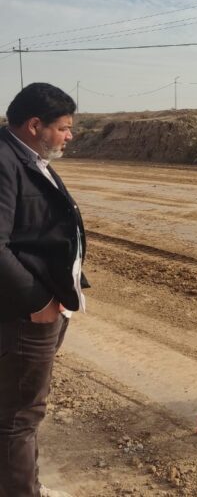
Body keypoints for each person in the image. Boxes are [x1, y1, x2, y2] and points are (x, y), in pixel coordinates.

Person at [0, 83, 88, 497]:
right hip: (24, 313)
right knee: (20, 415)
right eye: (64, 128)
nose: (69, 136)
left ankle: (24, 484)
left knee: (18, 410)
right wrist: (38, 301)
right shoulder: (4, 161)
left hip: (42, 305)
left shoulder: (24, 156)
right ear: (35, 125)